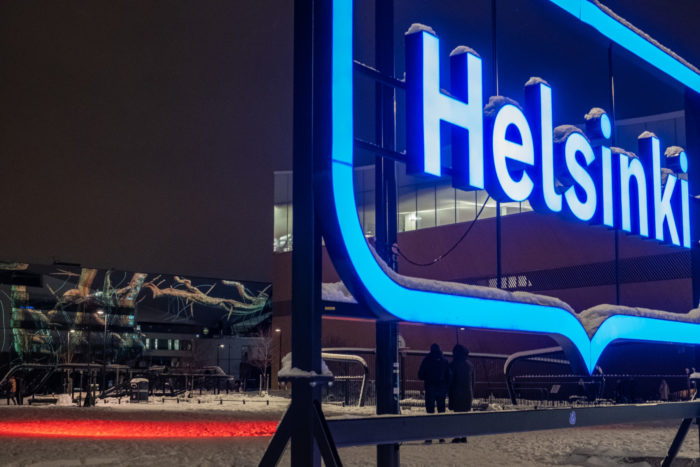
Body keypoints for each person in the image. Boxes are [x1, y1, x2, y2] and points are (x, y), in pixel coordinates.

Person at [418, 343, 451, 443]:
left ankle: (429, 437)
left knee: (430, 414)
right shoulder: (444, 361)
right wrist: (445, 386)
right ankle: (441, 436)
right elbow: (449, 375)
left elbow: (420, 375)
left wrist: (428, 378)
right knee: (441, 413)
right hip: (441, 389)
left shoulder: (427, 360)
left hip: (430, 388)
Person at [448, 344, 474, 443]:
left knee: (457, 416)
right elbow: (473, 381)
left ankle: (457, 436)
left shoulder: (453, 364)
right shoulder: (470, 365)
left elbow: (450, 380)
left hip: (456, 393)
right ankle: (464, 435)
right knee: (464, 416)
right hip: (467, 393)